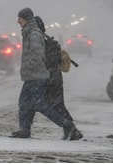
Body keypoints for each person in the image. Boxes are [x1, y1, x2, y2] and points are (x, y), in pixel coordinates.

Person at [11, 8, 82, 140]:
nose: (18, 21)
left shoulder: (33, 34)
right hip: (33, 75)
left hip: (36, 76)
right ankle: (24, 129)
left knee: (40, 105)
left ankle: (67, 125)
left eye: (19, 18)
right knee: (25, 103)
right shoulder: (29, 32)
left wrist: (30, 66)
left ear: (25, 18)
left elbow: (37, 54)